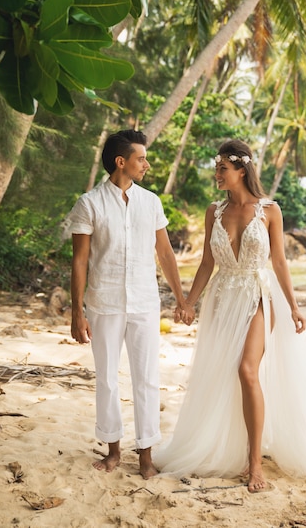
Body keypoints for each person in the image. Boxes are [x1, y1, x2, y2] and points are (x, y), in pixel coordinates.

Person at [154, 139, 306, 493]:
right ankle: (232, 445)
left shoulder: (269, 211)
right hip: (222, 299)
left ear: (242, 170)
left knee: (247, 371)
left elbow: (279, 262)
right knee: (224, 376)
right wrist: (188, 301)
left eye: (222, 168)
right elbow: (207, 263)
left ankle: (254, 465)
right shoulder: (212, 211)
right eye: (216, 167)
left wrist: (293, 306)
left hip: (259, 295)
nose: (216, 174)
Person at [67, 129, 195, 479]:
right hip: (103, 301)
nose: (146, 164)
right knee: (107, 378)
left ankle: (146, 455)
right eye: (141, 158)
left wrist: (181, 297)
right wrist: (77, 312)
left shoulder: (151, 202)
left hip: (144, 301)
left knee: (147, 379)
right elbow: (79, 261)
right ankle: (112, 451)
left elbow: (165, 251)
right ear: (121, 162)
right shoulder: (89, 203)